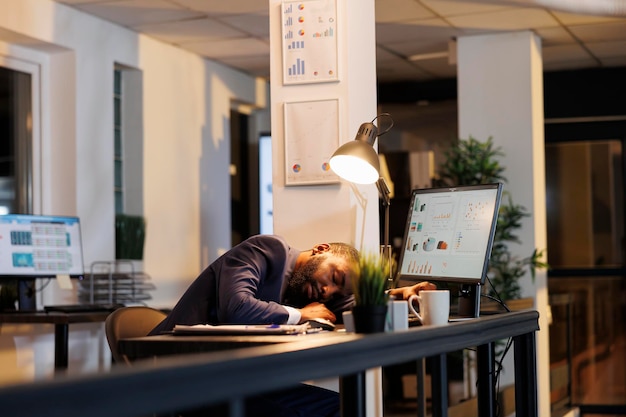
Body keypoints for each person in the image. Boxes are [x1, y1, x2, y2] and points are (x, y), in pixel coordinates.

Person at [149, 234, 433, 417]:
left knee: (344, 407)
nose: (328, 291)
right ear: (321, 249)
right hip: (179, 375)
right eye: (334, 277)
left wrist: (399, 294)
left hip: (232, 376)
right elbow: (236, 307)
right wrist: (301, 315)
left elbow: (357, 308)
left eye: (338, 292)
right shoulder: (266, 251)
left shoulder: (306, 293)